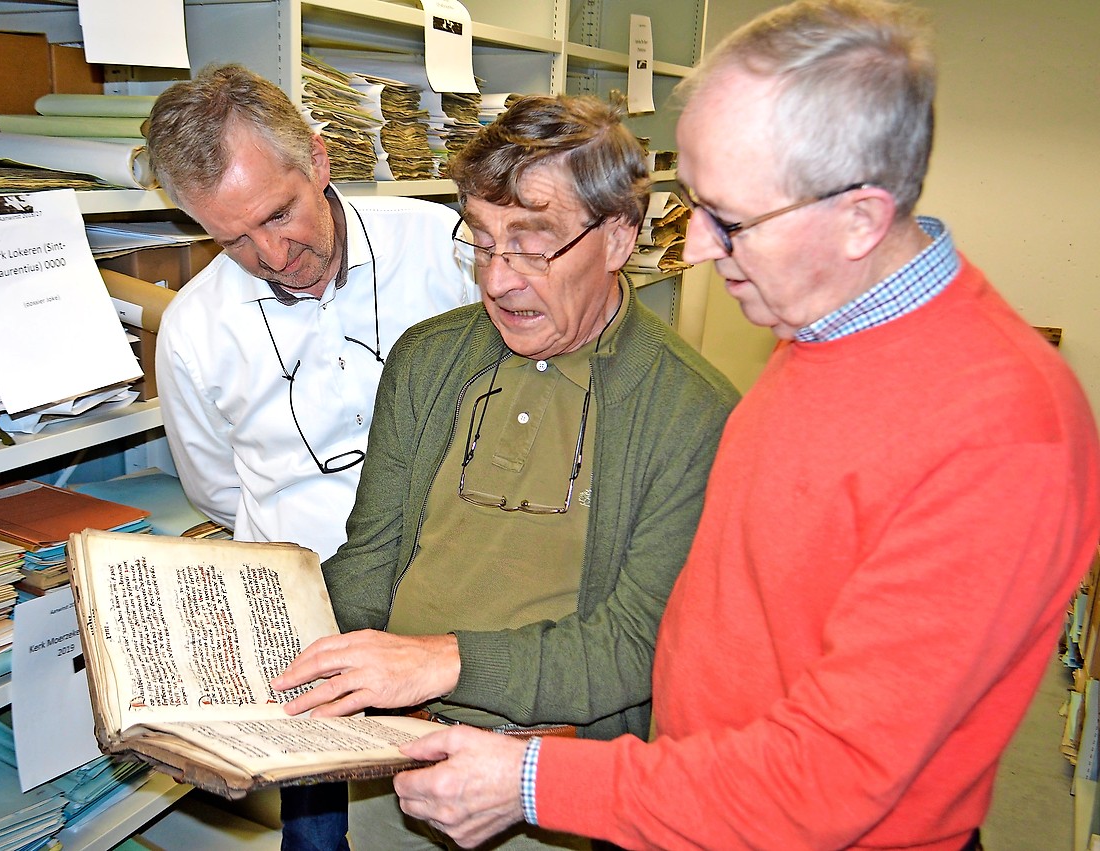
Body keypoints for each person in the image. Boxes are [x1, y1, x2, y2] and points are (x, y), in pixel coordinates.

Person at [387, 2, 1100, 849]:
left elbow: (831, 779)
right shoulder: (824, 327)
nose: (697, 251)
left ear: (861, 218)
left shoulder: (1003, 429)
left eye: (731, 221)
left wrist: (539, 781)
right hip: (702, 806)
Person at [271, 93, 739, 849]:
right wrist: (261, 648)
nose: (498, 280)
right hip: (383, 763)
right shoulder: (428, 359)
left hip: (545, 796)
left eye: (533, 243)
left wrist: (442, 661)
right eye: (483, 242)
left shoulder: (692, 413)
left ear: (619, 237)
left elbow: (634, 646)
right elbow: (370, 563)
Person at [145, 64, 477, 851]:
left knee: (466, 811)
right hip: (307, 635)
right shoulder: (195, 329)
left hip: (458, 602)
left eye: (278, 213)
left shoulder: (448, 250)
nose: (270, 252)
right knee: (322, 841)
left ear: (320, 161)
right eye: (231, 238)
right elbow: (219, 491)